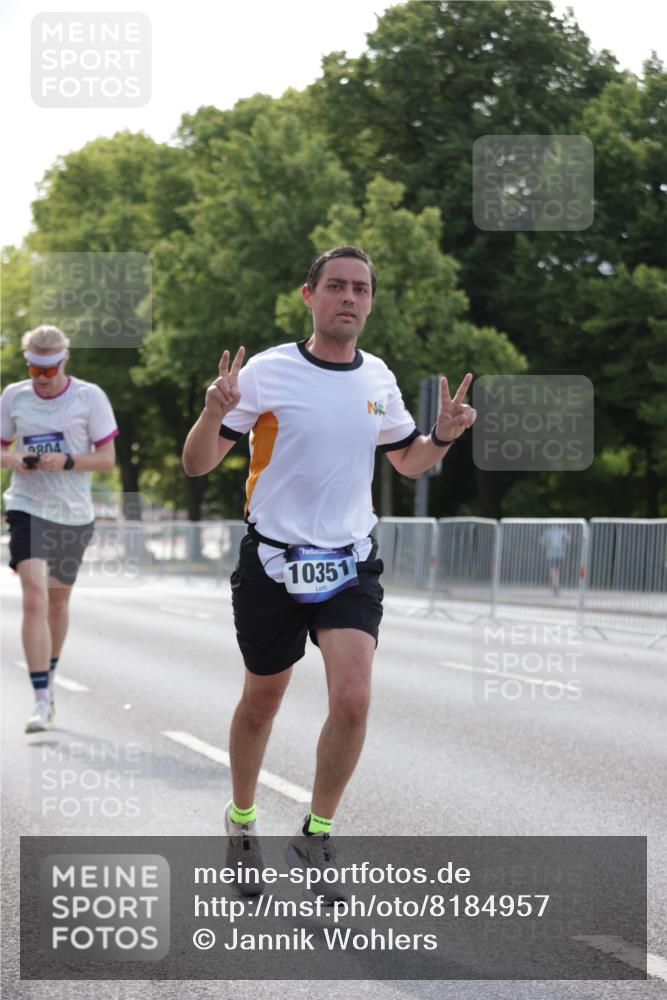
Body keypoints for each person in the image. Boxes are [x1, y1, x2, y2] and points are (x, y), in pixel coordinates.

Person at [182, 246, 476, 899]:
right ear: (309, 295)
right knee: (263, 700)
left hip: (347, 561)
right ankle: (241, 820)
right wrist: (212, 411)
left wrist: (442, 436)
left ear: (370, 302)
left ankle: (315, 834)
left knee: (353, 698)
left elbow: (406, 460)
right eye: (336, 286)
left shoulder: (378, 378)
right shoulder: (266, 372)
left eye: (360, 289)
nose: (349, 297)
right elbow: (196, 465)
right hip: (273, 560)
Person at [1, 325, 118, 733]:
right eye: (35, 369)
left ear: (64, 361)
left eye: (49, 370)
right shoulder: (13, 396)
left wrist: (68, 460)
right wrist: (14, 460)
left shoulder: (89, 397)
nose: (42, 378)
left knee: (56, 604)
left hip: (72, 513)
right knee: (34, 598)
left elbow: (107, 459)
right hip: (27, 506)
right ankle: (39, 699)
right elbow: (1, 449)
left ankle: (48, 680)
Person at [540, 524, 571, 597]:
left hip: (557, 553)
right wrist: (547, 543)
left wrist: (567, 539)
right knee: (554, 569)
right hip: (553, 553)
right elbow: (542, 541)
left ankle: (555, 584)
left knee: (554, 569)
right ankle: (555, 584)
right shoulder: (549, 531)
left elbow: (569, 540)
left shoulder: (561, 530)